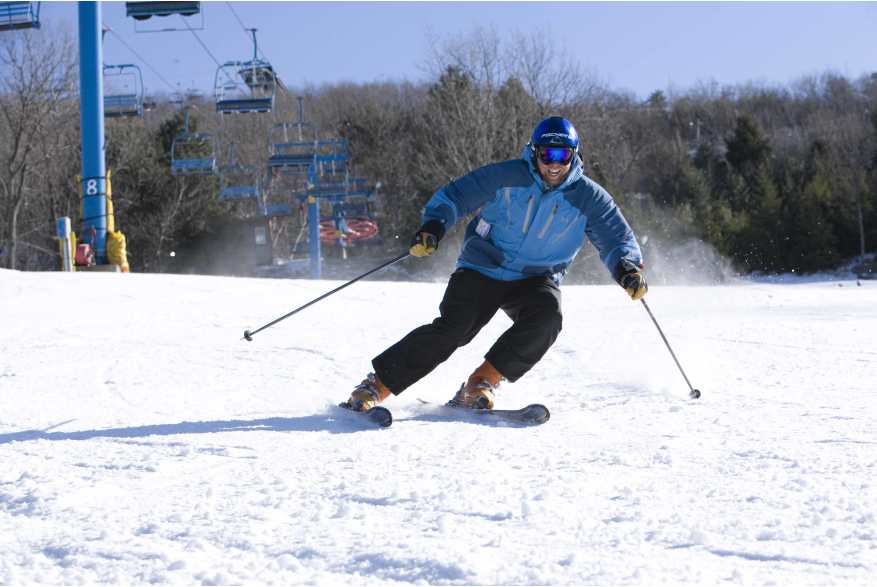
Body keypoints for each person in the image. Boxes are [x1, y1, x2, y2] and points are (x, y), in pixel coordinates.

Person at [344, 117, 647, 411]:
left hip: (536, 277)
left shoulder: (590, 198)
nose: (554, 164)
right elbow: (456, 196)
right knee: (454, 329)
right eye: (547, 154)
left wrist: (627, 268)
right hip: (483, 266)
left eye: (563, 155)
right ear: (535, 152)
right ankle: (376, 385)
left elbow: (616, 238)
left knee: (547, 319)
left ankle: (481, 382)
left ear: (575, 155)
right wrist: (433, 226)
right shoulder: (506, 176)